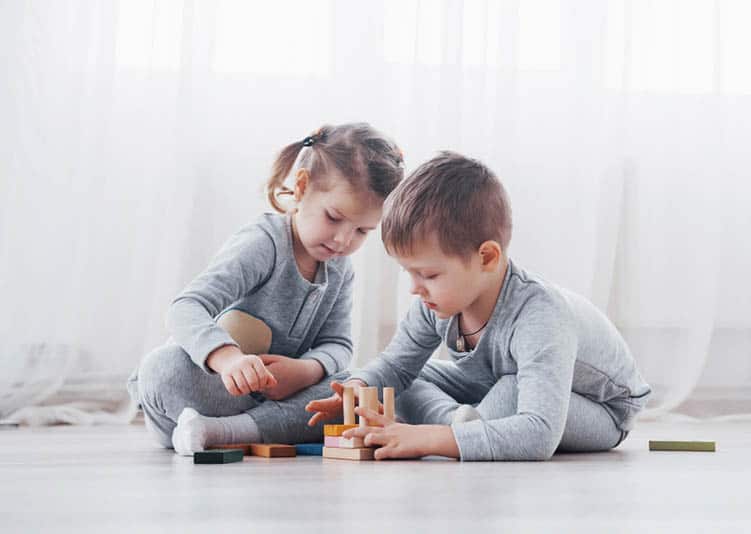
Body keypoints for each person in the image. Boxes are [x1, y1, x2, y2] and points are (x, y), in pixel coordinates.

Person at [307, 152, 651, 461]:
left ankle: (460, 429)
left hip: (598, 410)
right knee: (402, 381)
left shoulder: (540, 314)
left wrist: (429, 439)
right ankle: (469, 425)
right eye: (408, 273)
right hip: (494, 386)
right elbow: (397, 367)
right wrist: (358, 386)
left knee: (512, 390)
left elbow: (540, 434)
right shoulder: (436, 301)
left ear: (486, 257)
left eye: (428, 274)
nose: (415, 288)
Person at [128, 123, 404, 454]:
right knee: (161, 369)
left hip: (280, 397)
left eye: (362, 231)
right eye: (333, 218)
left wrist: (305, 371)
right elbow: (185, 307)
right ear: (301, 188)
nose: (343, 240)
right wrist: (229, 360)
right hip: (216, 388)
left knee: (355, 388)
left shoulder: (340, 268)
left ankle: (223, 431)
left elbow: (338, 344)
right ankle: (242, 427)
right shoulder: (263, 243)